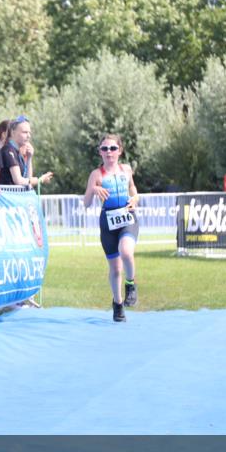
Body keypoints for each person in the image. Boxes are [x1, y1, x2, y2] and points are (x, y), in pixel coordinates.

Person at [83, 134, 139, 323]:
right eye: (105, 149)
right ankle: (118, 303)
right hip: (108, 223)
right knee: (115, 269)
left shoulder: (126, 169)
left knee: (126, 252)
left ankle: (130, 283)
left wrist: (135, 199)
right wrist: (93, 190)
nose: (109, 152)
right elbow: (86, 204)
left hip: (127, 218)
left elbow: (133, 190)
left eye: (113, 148)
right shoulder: (96, 174)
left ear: (120, 151)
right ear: (100, 152)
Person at [0, 116, 53, 188]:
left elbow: (28, 180)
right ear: (13, 132)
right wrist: (40, 180)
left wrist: (29, 158)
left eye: (29, 133)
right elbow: (18, 180)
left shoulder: (16, 151)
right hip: (7, 196)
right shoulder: (8, 150)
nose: (29, 136)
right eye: (25, 132)